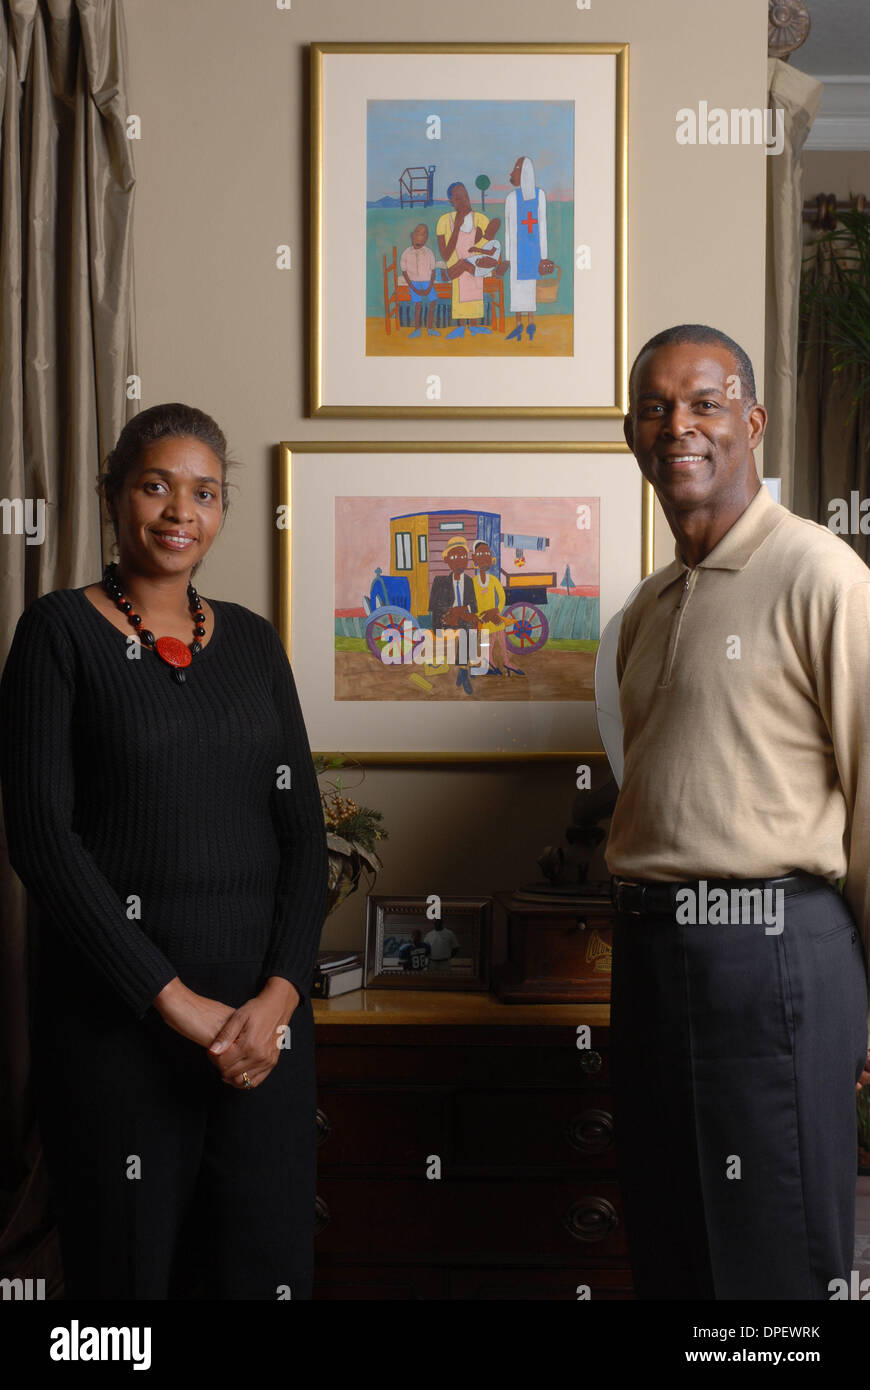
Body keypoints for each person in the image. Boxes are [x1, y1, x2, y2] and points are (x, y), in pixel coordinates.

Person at [0, 403, 329, 1301]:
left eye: (205, 492)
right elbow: (41, 838)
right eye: (155, 485)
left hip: (261, 1035)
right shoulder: (57, 634)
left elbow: (304, 840)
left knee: (262, 1276)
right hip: (118, 1027)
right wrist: (173, 1003)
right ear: (112, 497)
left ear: (222, 512)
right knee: (123, 1290)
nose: (180, 510)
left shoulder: (255, 644)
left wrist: (277, 1001)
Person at [604, 324, 870, 1302]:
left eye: (705, 402)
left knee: (769, 1269)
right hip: (653, 959)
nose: (680, 426)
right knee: (674, 1256)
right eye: (656, 407)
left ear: (752, 421)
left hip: (773, 957)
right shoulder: (646, 610)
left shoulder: (821, 573)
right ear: (632, 433)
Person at [436, 183, 503, 339]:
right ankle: (460, 327)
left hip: (474, 266)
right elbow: (446, 255)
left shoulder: (480, 219)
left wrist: (482, 240)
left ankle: (474, 326)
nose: (464, 201)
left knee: (471, 278)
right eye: (458, 198)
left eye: (465, 196)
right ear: (451, 201)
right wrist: (456, 227)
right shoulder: (444, 221)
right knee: (461, 275)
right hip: (455, 264)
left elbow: (483, 248)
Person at [502, 155, 554, 344]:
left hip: (532, 254)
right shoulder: (511, 198)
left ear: (524, 172)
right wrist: (508, 257)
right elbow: (508, 230)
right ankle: (518, 325)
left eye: (515, 169)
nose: (511, 173)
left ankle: (530, 323)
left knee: (529, 290)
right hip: (517, 255)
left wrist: (544, 256)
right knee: (516, 289)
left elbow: (542, 226)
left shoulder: (540, 195)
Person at [427, 536, 479, 696]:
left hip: (461, 619)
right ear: (447, 560)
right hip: (444, 621)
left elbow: (474, 606)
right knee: (467, 625)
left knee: (469, 625)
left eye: (463, 557)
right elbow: (434, 606)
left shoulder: (469, 581)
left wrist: (461, 610)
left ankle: (463, 671)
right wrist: (453, 611)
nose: (460, 561)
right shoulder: (440, 581)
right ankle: (465, 670)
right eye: (455, 557)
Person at [399, 223, 440, 339]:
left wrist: (429, 286)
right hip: (414, 282)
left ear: (426, 238)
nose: (420, 236)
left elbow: (433, 271)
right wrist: (413, 287)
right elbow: (404, 271)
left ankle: (430, 328)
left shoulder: (429, 252)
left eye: (424, 234)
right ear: (412, 235)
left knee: (432, 302)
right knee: (418, 304)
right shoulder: (406, 253)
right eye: (418, 233)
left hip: (428, 281)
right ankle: (417, 329)